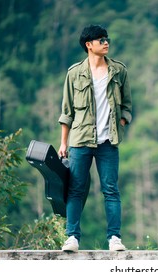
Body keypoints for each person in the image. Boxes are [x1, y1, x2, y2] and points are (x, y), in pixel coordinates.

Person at [58, 24, 132, 252]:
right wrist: (63, 142)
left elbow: (127, 106)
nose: (106, 42)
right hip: (80, 141)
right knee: (76, 189)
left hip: (108, 142)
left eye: (107, 38)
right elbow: (67, 112)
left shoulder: (119, 71)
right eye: (101, 40)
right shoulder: (74, 73)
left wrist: (120, 122)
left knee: (111, 189)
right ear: (89, 45)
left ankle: (114, 239)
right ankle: (72, 237)